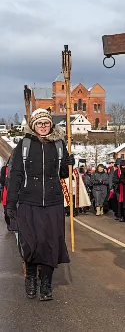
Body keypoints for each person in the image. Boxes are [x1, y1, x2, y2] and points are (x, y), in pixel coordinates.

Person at [6, 108, 74, 301]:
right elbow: (16, 175)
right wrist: (11, 203)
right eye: (39, 123)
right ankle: (30, 278)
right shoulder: (24, 145)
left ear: (51, 124)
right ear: (33, 126)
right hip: (29, 200)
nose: (43, 126)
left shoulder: (59, 144)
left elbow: (62, 173)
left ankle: (46, 283)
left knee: (51, 243)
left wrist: (69, 164)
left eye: (46, 123)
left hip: (53, 200)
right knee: (31, 242)